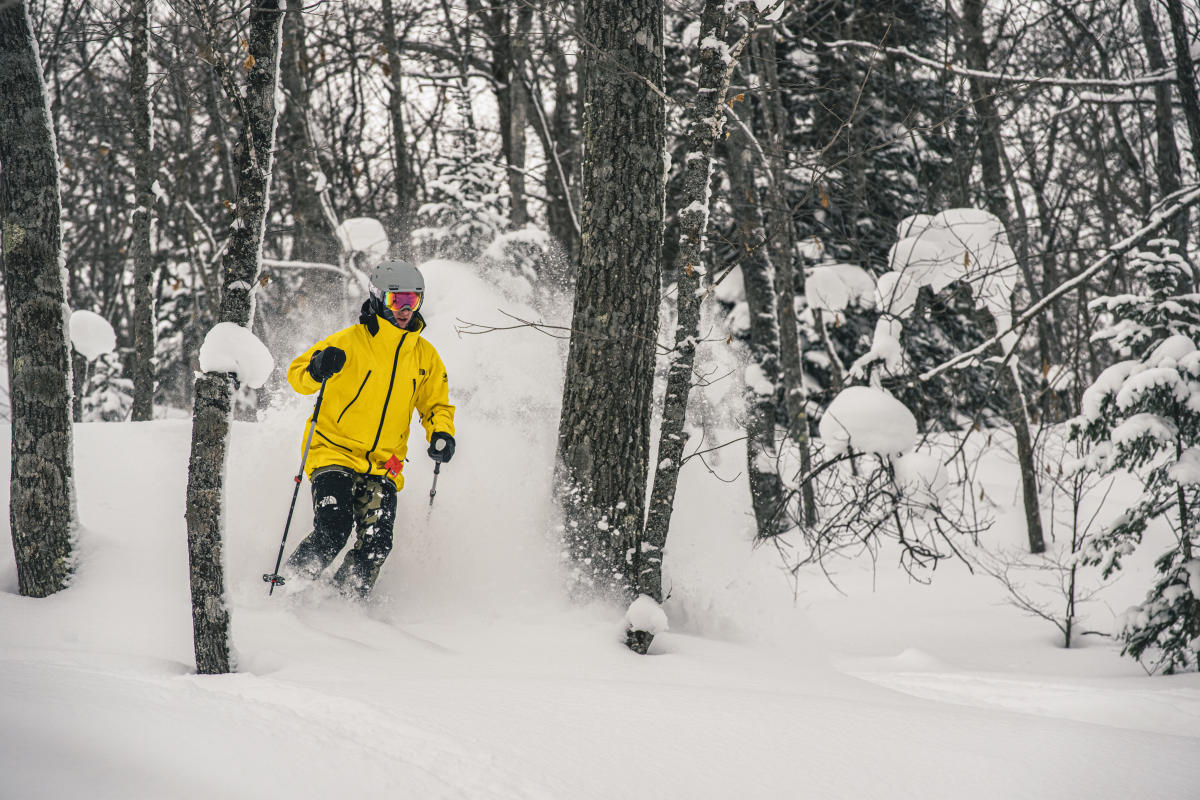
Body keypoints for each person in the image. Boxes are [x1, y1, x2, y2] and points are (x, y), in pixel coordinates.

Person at [282, 260, 456, 597]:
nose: (405, 309)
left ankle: (344, 605)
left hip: (384, 464)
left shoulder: (425, 357)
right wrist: (318, 367)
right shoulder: (349, 342)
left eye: (412, 300)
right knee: (334, 529)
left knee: (377, 544)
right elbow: (298, 375)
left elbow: (436, 405)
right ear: (378, 298)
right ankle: (288, 591)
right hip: (333, 452)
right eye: (396, 300)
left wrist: (441, 432)